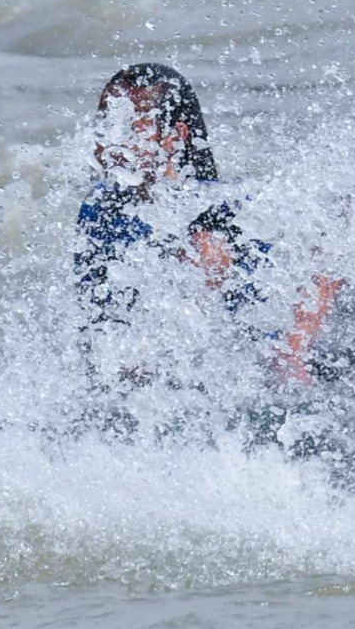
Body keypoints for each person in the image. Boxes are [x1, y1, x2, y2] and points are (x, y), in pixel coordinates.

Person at [73, 63, 273, 394]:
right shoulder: (100, 209)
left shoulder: (238, 205)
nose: (111, 144)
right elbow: (97, 328)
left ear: (176, 137)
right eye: (106, 126)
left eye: (130, 129)